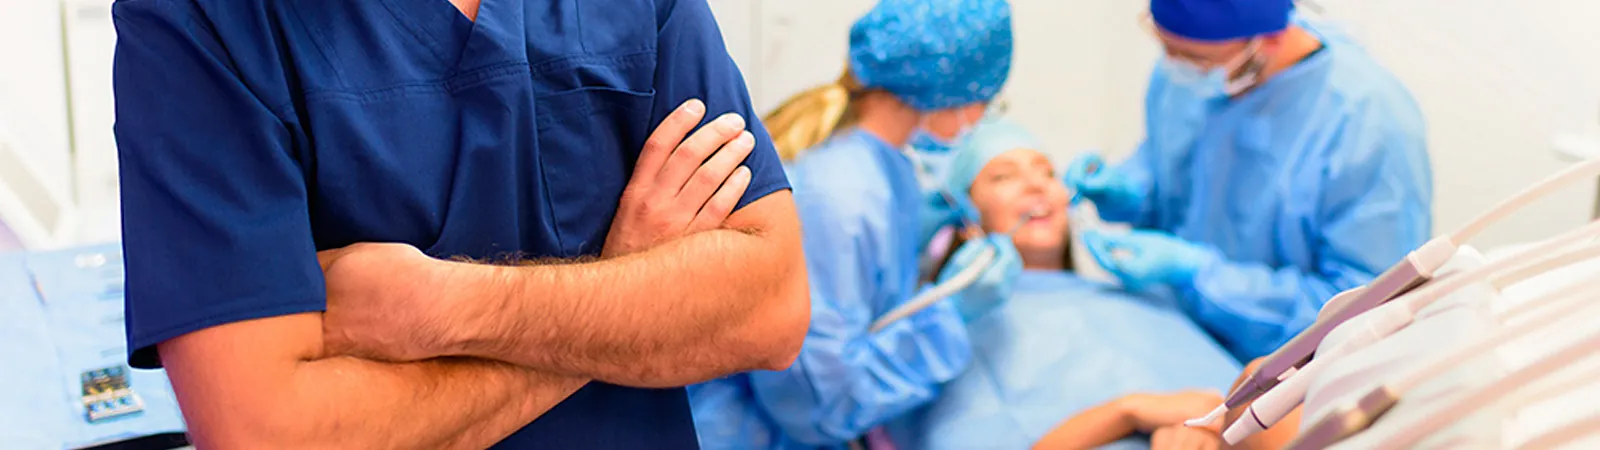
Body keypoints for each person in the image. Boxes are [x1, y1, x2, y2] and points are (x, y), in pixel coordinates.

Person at [112, 0, 810, 448]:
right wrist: (628, 290)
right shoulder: (200, 22)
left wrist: (439, 308)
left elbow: (771, 312)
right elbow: (266, 431)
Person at [686, 0, 1016, 448]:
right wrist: (948, 318)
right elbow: (816, 403)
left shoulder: (874, 167)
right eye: (989, 100)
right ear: (955, 93)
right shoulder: (847, 193)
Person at [1064, 0, 1434, 361]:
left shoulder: (1368, 126)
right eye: (1165, 47)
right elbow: (1174, 155)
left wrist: (1200, 276)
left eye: (1194, 58)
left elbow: (1362, 307)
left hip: (1276, 379)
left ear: (1268, 38)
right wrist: (1130, 191)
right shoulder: (1191, 68)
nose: (1173, 67)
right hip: (1170, 330)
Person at [881, 119, 1242, 450]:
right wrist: (1130, 412)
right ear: (966, 219)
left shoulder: (1142, 297)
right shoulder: (943, 334)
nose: (1037, 185)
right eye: (1004, 177)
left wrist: (1198, 429)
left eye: (1048, 172)